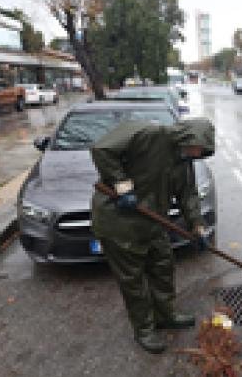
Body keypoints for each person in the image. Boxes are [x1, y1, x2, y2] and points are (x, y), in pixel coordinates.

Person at [90, 118, 215, 354]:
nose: (197, 154)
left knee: (163, 268)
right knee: (133, 281)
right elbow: (102, 149)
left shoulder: (183, 161)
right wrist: (122, 185)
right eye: (197, 148)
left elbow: (188, 195)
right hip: (119, 223)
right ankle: (144, 329)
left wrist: (197, 227)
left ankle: (166, 314)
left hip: (153, 222)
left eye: (201, 152)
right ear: (187, 137)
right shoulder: (148, 134)